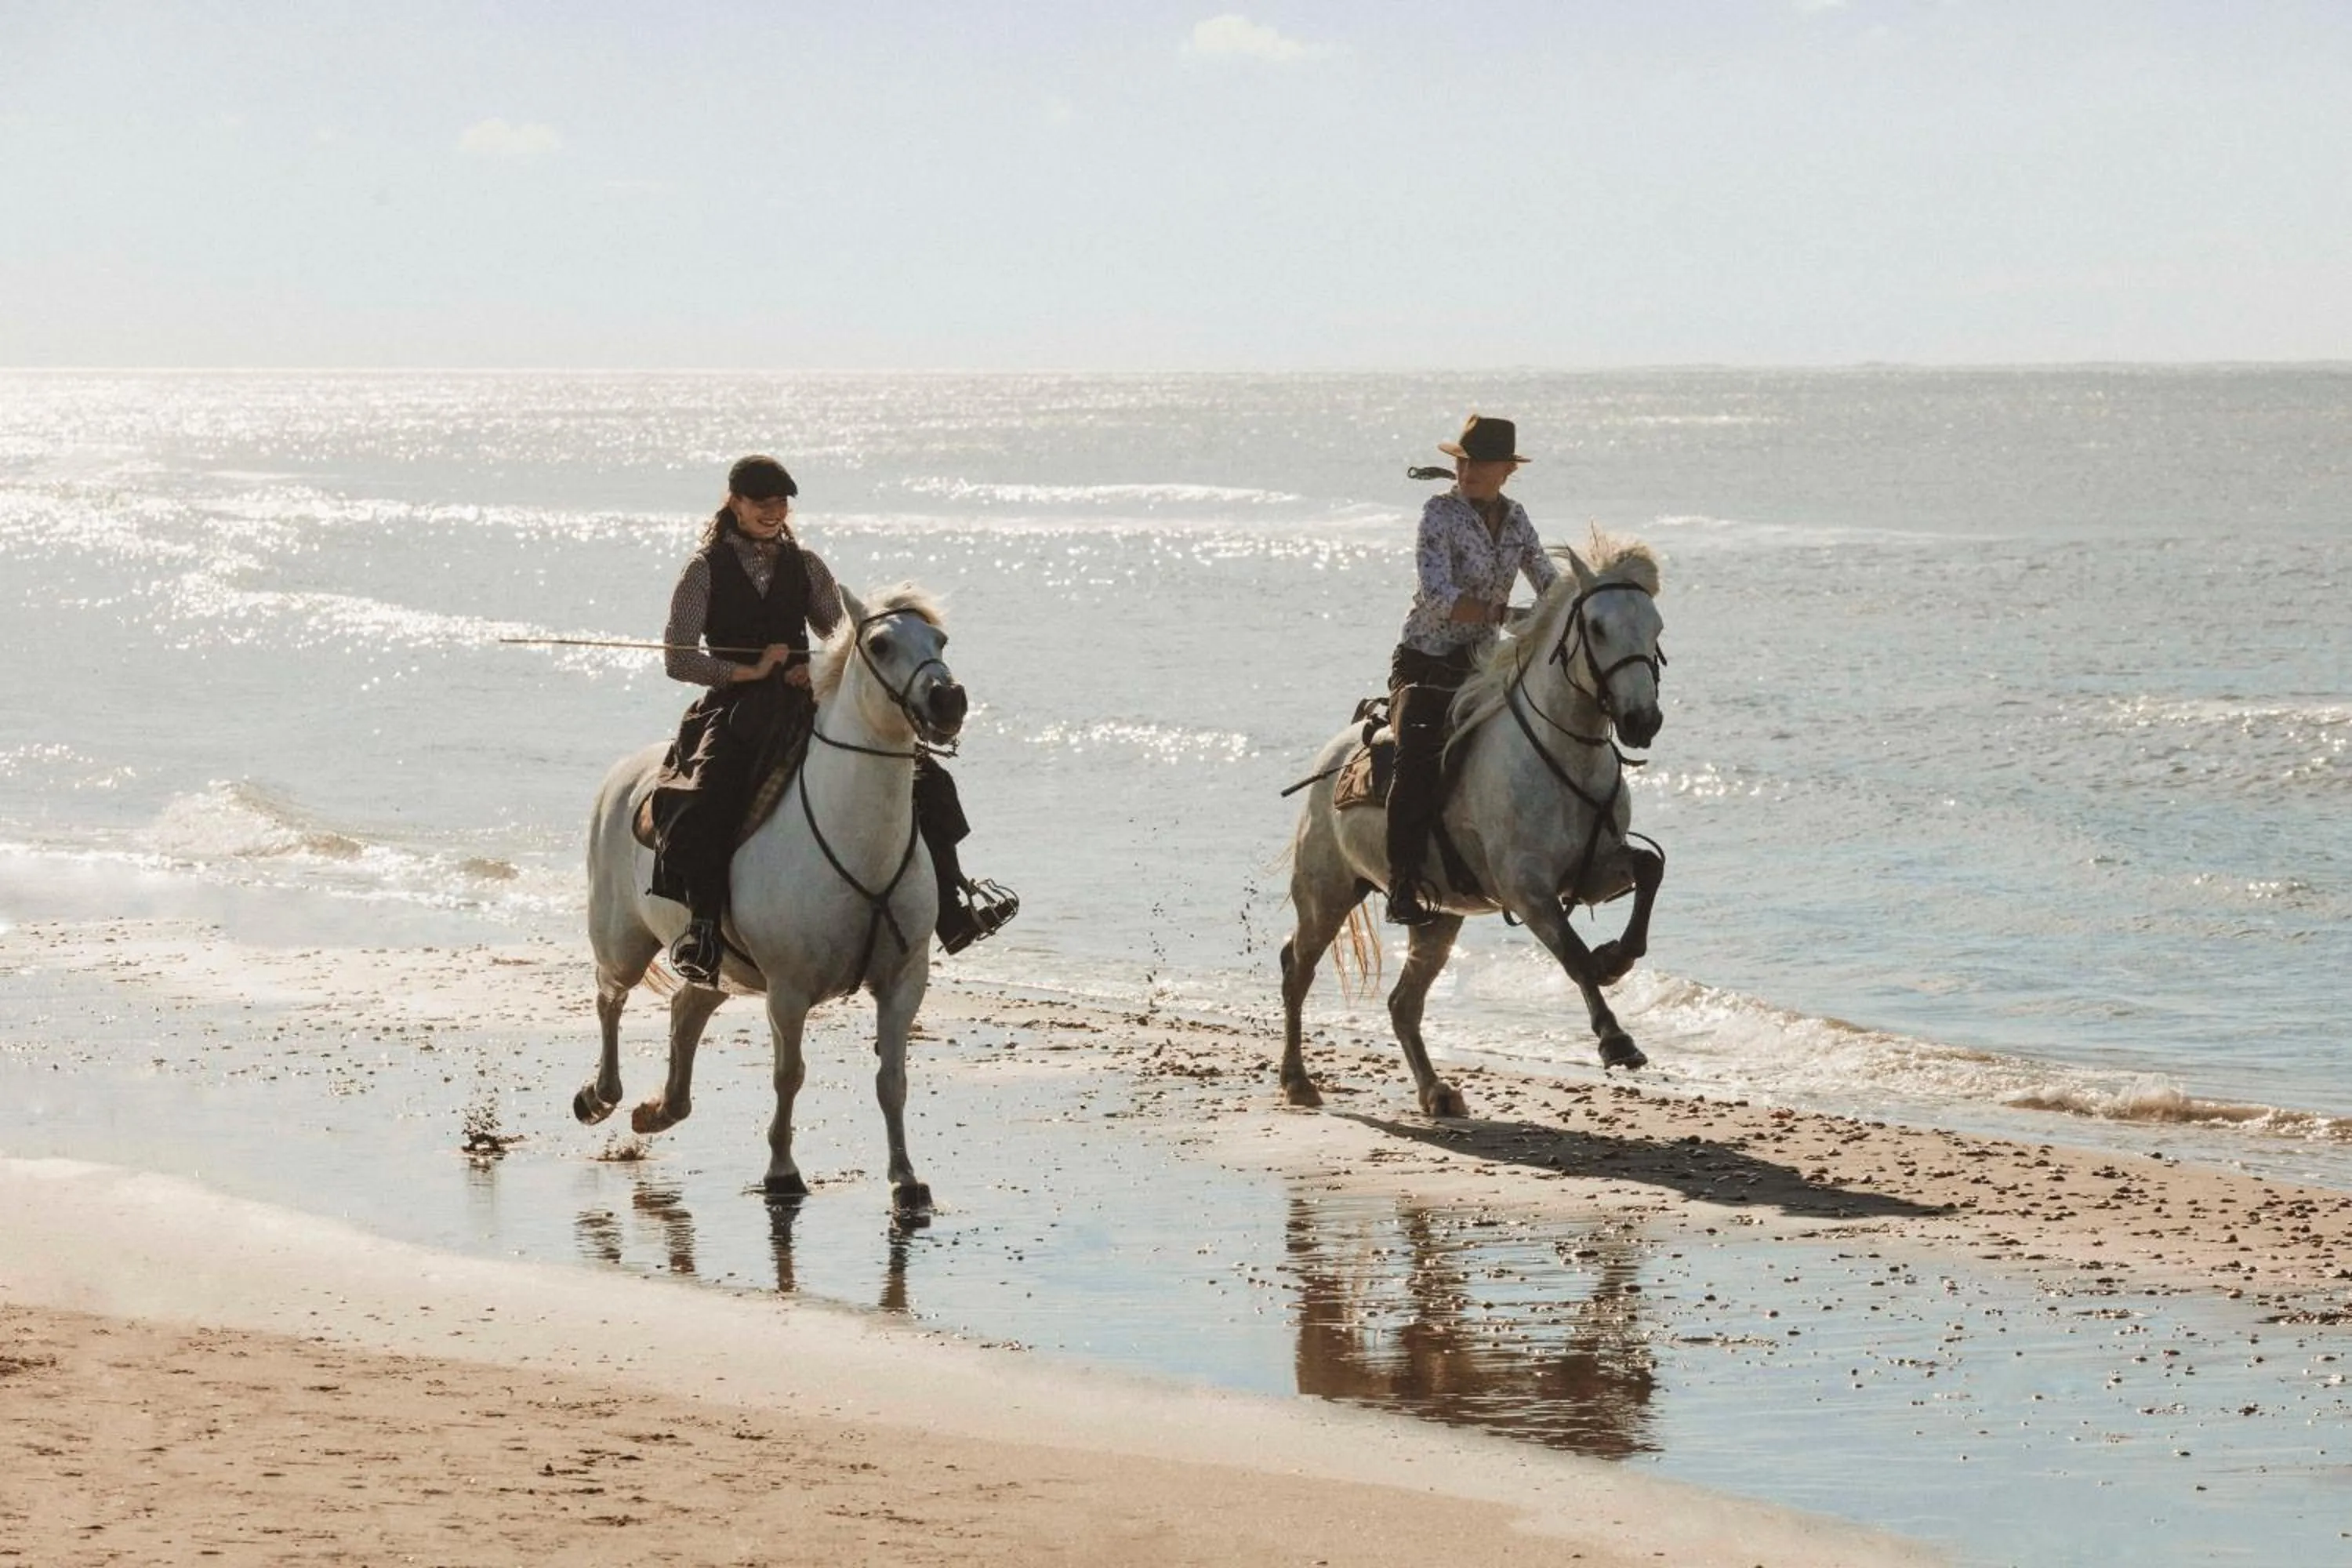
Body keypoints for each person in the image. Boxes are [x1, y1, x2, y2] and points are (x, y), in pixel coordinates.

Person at [649, 455, 1014, 985]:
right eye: (761, 504)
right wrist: (748, 670)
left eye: (781, 504)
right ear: (735, 503)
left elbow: (841, 638)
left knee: (927, 780)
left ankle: (955, 905)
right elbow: (678, 658)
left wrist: (812, 667)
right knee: (706, 797)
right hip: (734, 709)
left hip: (804, 701)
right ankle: (704, 930)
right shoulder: (702, 569)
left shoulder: (808, 565)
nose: (773, 513)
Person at [1384, 414, 1559, 926]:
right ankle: (1402, 884)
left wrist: (1577, 609)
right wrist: (1504, 615)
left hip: (1482, 664)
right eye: (1463, 462)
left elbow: (1547, 582)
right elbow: (1438, 598)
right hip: (1427, 659)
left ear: (1507, 469)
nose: (1468, 471)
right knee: (1415, 759)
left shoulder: (1518, 519)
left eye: (1481, 463)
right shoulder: (1438, 514)